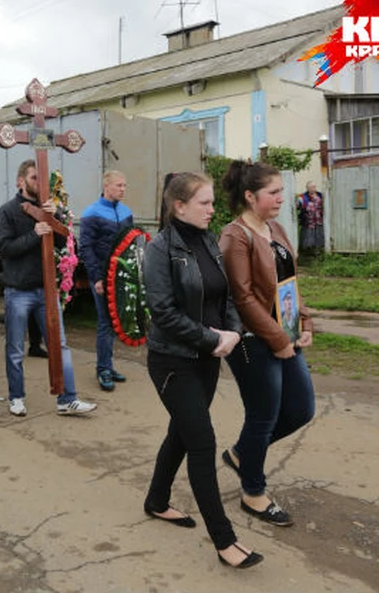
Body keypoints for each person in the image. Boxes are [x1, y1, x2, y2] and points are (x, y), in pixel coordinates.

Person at [142, 172, 262, 569]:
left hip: (208, 360)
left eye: (212, 202)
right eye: (205, 203)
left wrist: (232, 331)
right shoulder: (160, 249)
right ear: (179, 206)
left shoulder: (208, 241)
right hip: (172, 361)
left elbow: (224, 295)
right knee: (202, 442)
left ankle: (156, 501)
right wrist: (214, 340)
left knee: (181, 432)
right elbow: (163, 312)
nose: (213, 209)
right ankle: (224, 541)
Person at [219, 160, 315, 528]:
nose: (280, 198)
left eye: (280, 191)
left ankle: (243, 454)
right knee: (264, 416)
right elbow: (243, 299)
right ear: (249, 195)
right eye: (272, 192)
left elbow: (289, 280)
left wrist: (304, 321)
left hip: (285, 334)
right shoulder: (234, 236)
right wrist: (277, 339)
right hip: (252, 341)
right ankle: (253, 493)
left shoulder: (275, 227)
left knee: (301, 408)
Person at [0, 159, 97, 417]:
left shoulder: (50, 208)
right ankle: (16, 397)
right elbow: (6, 249)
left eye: (42, 179)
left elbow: (64, 241)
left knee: (59, 345)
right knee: (16, 349)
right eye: (34, 178)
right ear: (21, 181)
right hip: (18, 290)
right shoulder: (7, 211)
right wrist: (34, 233)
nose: (39, 183)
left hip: (47, 290)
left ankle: (67, 399)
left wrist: (54, 217)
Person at [79, 170, 135, 392]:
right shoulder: (92, 213)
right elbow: (86, 248)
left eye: (124, 186)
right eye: (119, 185)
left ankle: (108, 366)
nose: (123, 189)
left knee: (114, 323)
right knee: (105, 322)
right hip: (101, 278)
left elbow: (131, 244)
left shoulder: (126, 212)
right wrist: (96, 278)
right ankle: (103, 368)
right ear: (107, 186)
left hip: (121, 277)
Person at [295, 181, 324, 257]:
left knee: (318, 234)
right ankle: (307, 250)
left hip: (318, 220)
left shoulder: (320, 195)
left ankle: (318, 250)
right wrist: (297, 204)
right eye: (311, 187)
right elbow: (298, 205)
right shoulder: (303, 197)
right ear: (307, 188)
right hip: (308, 220)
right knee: (307, 235)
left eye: (314, 187)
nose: (313, 189)